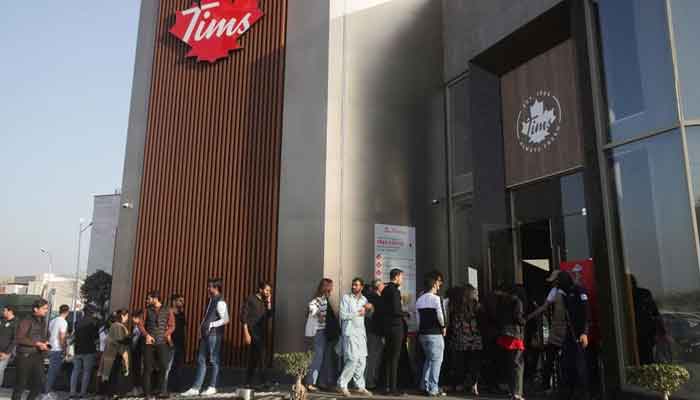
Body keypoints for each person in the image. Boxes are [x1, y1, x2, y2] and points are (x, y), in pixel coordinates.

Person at [182, 278, 230, 396]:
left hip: (214, 335)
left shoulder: (220, 301)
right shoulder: (211, 300)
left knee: (214, 360)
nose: (208, 288)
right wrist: (201, 329)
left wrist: (211, 325)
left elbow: (226, 319)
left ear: (216, 288)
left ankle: (212, 386)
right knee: (201, 360)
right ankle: (196, 388)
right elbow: (206, 318)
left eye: (210, 286)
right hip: (205, 335)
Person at [337, 278, 374, 397]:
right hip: (349, 333)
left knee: (362, 361)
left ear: (361, 287)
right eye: (353, 285)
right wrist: (357, 313)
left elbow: (369, 314)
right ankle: (342, 384)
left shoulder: (364, 299)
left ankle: (360, 386)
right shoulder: (346, 298)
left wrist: (370, 308)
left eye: (356, 285)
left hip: (361, 334)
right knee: (352, 359)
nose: (353, 287)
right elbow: (342, 315)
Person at [557, 271, 590, 400]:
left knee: (579, 365)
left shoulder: (578, 290)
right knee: (567, 363)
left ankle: (583, 393)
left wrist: (584, 333)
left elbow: (586, 312)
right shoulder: (565, 294)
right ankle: (568, 392)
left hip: (579, 334)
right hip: (570, 333)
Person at [138, 290, 175, 400]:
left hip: (162, 343)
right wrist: (147, 335)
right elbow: (140, 325)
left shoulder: (168, 310)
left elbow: (172, 325)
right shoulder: (146, 310)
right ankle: (147, 394)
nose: (147, 300)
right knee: (148, 368)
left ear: (155, 298)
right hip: (148, 343)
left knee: (163, 366)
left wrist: (166, 334)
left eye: (149, 298)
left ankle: (160, 391)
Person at [446, 285, 482, 396]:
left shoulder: (455, 306)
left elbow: (452, 323)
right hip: (475, 339)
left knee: (459, 363)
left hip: (459, 339)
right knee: (474, 364)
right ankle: (473, 386)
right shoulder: (476, 305)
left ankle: (458, 385)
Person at [12, 299, 50, 400]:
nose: (46, 310)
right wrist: (37, 343)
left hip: (38, 355)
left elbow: (44, 336)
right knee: (21, 385)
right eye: (44, 308)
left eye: (47, 308)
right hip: (25, 355)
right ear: (35, 309)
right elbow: (19, 338)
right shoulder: (26, 320)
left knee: (39, 382)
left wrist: (45, 343)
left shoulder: (43, 321)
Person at [416, 275, 446, 397]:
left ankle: (424, 385)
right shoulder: (436, 299)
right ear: (433, 285)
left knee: (428, 359)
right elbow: (440, 316)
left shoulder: (419, 300)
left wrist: (420, 330)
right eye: (438, 284)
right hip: (435, 333)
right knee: (436, 361)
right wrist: (443, 326)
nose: (439, 286)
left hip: (423, 333)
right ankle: (433, 388)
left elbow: (417, 319)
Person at [496, 286, 526, 400]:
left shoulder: (504, 301)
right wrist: (524, 321)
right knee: (518, 364)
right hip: (515, 334)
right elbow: (518, 317)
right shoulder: (518, 302)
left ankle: (511, 390)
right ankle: (517, 392)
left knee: (510, 363)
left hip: (506, 334)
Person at [241, 281, 274, 388]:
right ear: (260, 289)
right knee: (262, 355)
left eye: (269, 290)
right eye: (267, 290)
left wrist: (269, 302)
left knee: (254, 358)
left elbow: (269, 316)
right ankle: (264, 381)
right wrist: (246, 333)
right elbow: (244, 316)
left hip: (262, 333)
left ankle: (248, 382)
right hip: (253, 331)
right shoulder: (251, 299)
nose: (268, 292)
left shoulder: (265, 301)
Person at [304, 278, 334, 392]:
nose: (332, 289)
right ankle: (310, 383)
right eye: (330, 286)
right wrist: (318, 314)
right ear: (326, 287)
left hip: (322, 332)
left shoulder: (325, 299)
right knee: (317, 358)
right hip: (318, 332)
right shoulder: (319, 299)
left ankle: (315, 382)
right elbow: (311, 306)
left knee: (320, 358)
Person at [382, 268, 406, 396]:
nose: (402, 280)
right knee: (395, 358)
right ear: (396, 277)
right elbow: (397, 310)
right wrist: (405, 313)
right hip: (396, 327)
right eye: (401, 277)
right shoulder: (395, 291)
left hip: (387, 327)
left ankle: (386, 386)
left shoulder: (385, 289)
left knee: (388, 356)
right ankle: (393, 388)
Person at [100, 310, 133, 398]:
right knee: (115, 375)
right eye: (126, 316)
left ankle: (110, 394)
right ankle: (113, 394)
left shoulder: (114, 325)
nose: (127, 318)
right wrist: (128, 340)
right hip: (116, 354)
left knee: (111, 375)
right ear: (123, 316)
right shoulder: (118, 326)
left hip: (110, 354)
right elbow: (119, 341)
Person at [70, 305, 101, 398]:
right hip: (89, 350)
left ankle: (72, 393)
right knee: (86, 372)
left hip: (78, 349)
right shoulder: (93, 323)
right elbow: (96, 338)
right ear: (92, 312)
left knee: (75, 371)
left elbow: (75, 336)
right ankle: (82, 393)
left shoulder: (77, 322)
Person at [364, 279, 385, 390]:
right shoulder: (375, 298)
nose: (384, 287)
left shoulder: (370, 297)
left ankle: (370, 380)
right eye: (382, 285)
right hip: (374, 331)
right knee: (373, 356)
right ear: (378, 287)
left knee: (372, 356)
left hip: (372, 331)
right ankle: (370, 381)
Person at [46, 304, 70, 396]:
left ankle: (48, 388)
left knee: (51, 370)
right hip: (57, 348)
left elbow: (49, 334)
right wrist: (64, 349)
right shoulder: (63, 322)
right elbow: (62, 337)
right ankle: (47, 390)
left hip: (51, 348)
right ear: (67, 312)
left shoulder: (52, 321)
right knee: (53, 371)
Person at [167, 294, 187, 393]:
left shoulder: (182, 314)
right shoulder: (168, 313)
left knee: (179, 366)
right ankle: (165, 387)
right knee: (169, 366)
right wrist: (169, 341)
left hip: (180, 343)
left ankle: (177, 388)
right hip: (171, 343)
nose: (182, 303)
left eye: (183, 301)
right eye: (180, 300)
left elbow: (183, 329)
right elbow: (166, 328)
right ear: (174, 301)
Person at [0, 306, 17, 388]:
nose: (3, 312)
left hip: (5, 352)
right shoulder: (2, 320)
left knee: (0, 370)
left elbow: (15, 339)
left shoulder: (16, 322)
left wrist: (6, 353)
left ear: (10, 311)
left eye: (5, 311)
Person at [130, 309, 145, 396]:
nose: (132, 319)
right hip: (135, 352)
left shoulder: (143, 327)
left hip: (141, 352)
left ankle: (141, 389)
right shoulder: (134, 327)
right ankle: (135, 388)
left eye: (134, 318)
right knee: (135, 370)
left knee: (141, 370)